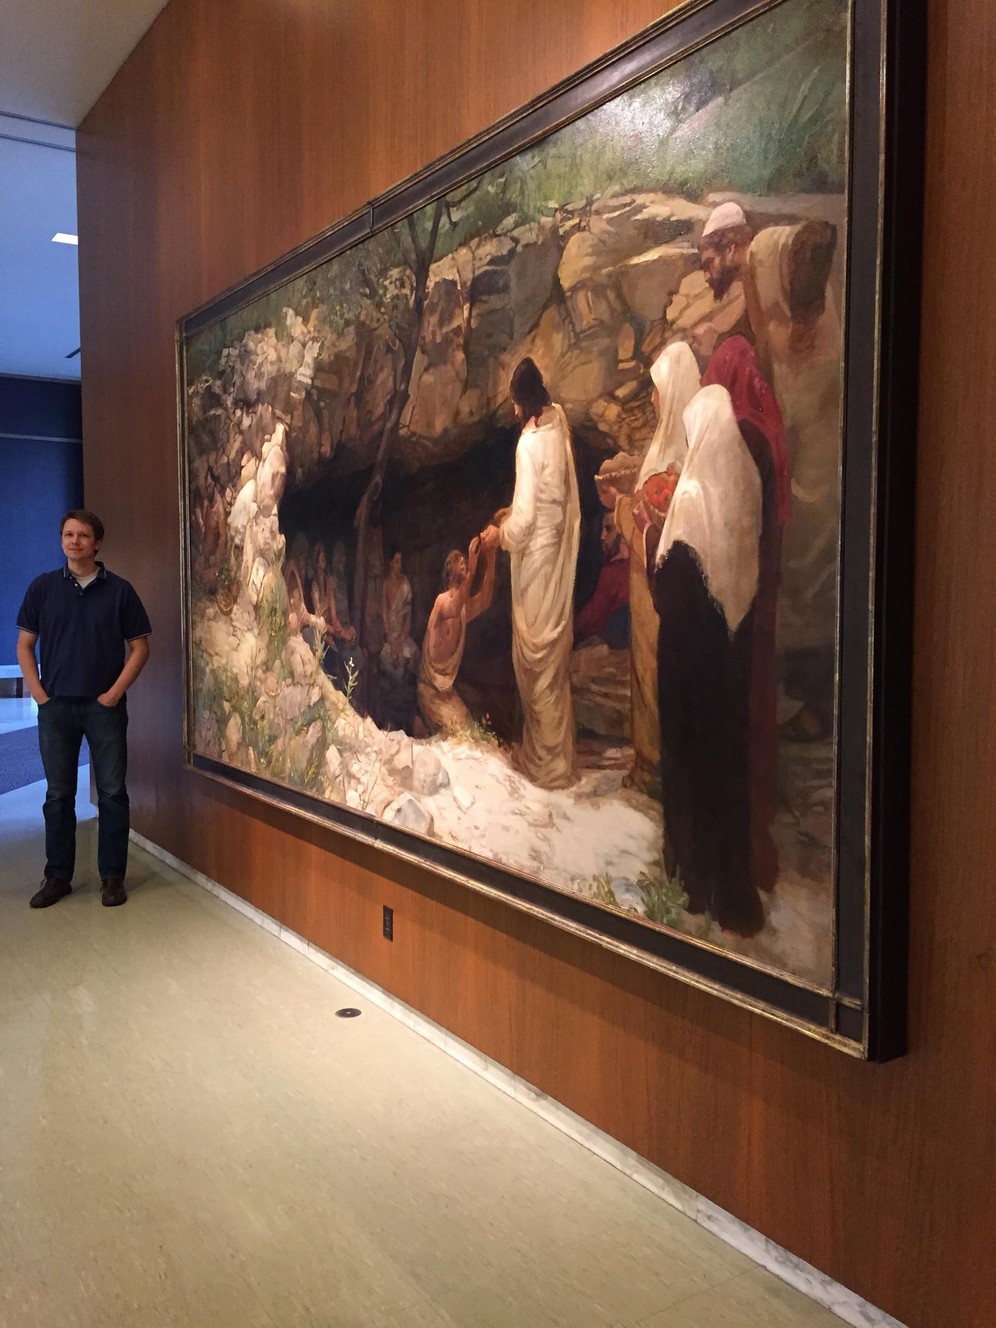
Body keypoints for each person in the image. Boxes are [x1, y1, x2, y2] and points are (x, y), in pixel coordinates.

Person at [652, 386, 764, 938]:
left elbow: (672, 589)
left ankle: (693, 886)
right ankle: (734, 897)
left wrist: (652, 537)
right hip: (731, 656)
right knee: (725, 771)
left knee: (691, 769)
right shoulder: (745, 479)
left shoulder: (693, 495)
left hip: (690, 664)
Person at [16, 510, 151, 909]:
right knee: (58, 795)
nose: (74, 541)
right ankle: (57, 876)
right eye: (68, 534)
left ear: (97, 543)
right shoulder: (42, 588)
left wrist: (112, 694)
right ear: (62, 540)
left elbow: (140, 649)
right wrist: (39, 694)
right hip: (56, 707)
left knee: (112, 793)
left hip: (103, 708)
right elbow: (25, 645)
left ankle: (112, 877)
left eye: (83, 535)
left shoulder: (120, 591)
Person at [702, 336, 791, 895]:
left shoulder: (741, 434)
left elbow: (729, 522)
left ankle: (743, 845)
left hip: (739, 592)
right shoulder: (766, 423)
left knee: (733, 711)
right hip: (762, 589)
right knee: (755, 700)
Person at [602, 340, 701, 793]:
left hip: (657, 585)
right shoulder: (681, 446)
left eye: (659, 389)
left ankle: (654, 769)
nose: (655, 398)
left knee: (655, 671)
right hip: (662, 585)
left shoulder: (678, 454)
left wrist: (619, 503)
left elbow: (648, 527)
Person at [481, 358, 581, 789]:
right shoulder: (559, 424)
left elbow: (522, 525)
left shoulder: (529, 444)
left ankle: (545, 765)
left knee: (534, 661)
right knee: (553, 658)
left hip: (538, 559)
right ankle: (558, 757)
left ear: (521, 402)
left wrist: (494, 534)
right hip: (557, 551)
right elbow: (549, 502)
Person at [418, 537, 496, 735]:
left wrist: (491, 558)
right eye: (458, 561)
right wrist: (472, 567)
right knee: (459, 737)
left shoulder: (462, 608)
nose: (463, 562)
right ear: (449, 571)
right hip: (430, 692)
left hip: (447, 693)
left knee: (472, 733)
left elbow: (484, 599)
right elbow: (454, 607)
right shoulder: (443, 602)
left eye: (464, 560)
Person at [573, 511, 630, 650]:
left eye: (609, 529)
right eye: (602, 529)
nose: (602, 536)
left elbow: (592, 619)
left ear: (623, 531)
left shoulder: (613, 573)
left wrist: (568, 630)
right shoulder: (635, 566)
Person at [380, 547, 419, 681]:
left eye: (400, 562)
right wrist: (391, 639)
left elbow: (408, 617)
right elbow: (384, 613)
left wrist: (401, 640)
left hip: (403, 636)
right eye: (396, 562)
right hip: (390, 635)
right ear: (390, 563)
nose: (399, 565)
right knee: (386, 657)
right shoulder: (385, 584)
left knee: (411, 655)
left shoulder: (405, 583)